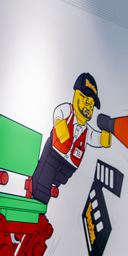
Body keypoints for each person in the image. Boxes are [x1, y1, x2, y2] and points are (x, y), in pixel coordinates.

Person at [29, 72, 111, 205]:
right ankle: (37, 207)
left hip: (68, 167)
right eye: (86, 101)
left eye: (91, 105)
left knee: (52, 186)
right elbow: (58, 113)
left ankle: (42, 200)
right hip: (54, 156)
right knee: (42, 184)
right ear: (77, 95)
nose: (89, 107)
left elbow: (95, 137)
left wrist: (103, 138)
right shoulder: (68, 111)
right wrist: (59, 124)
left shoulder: (87, 130)